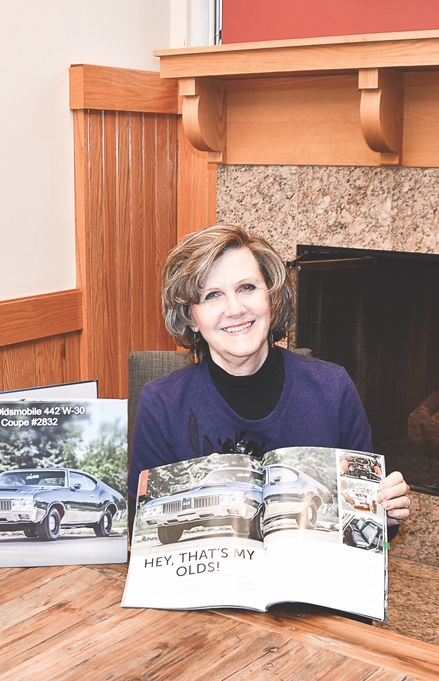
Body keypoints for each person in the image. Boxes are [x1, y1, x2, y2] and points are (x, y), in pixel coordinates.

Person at [128, 223, 411, 529]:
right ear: (190, 318)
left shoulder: (333, 388)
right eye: (212, 295)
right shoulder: (162, 404)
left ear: (271, 300)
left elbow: (364, 525)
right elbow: (144, 529)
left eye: (247, 287)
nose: (235, 309)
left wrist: (386, 510)